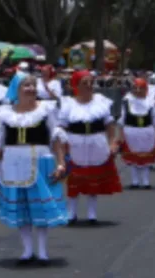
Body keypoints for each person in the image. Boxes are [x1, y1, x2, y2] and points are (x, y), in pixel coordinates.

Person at [0, 75, 68, 264]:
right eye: (26, 85)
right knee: (21, 207)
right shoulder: (6, 114)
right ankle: (27, 250)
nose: (31, 89)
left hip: (40, 161)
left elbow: (56, 137)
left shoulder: (46, 109)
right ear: (17, 89)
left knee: (40, 207)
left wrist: (61, 163)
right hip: (13, 164)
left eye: (33, 85)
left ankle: (42, 251)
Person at [58, 70, 122, 224]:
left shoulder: (101, 102)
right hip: (75, 143)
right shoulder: (68, 105)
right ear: (76, 85)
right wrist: (62, 149)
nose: (89, 86)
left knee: (93, 177)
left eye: (90, 82)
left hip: (97, 142)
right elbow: (61, 129)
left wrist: (112, 143)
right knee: (74, 178)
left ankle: (91, 213)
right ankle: (71, 212)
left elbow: (109, 125)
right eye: (84, 83)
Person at [119, 78, 155, 188]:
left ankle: (146, 181)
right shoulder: (127, 101)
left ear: (145, 89)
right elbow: (122, 119)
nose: (138, 90)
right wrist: (120, 135)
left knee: (146, 157)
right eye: (135, 88)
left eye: (141, 88)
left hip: (147, 132)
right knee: (133, 157)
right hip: (131, 132)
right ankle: (134, 181)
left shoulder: (149, 102)